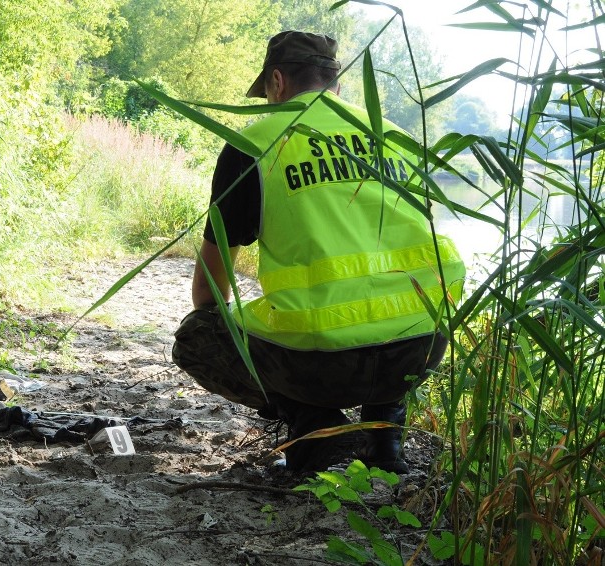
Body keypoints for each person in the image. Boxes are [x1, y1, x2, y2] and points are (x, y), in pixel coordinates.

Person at [172, 31, 466, 474]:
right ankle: (385, 440)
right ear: (338, 85)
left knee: (197, 335)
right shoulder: (394, 137)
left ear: (276, 81)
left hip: (321, 365)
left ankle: (317, 427)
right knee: (384, 314)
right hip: (419, 348)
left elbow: (209, 292)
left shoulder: (256, 143)